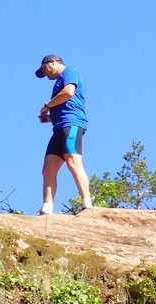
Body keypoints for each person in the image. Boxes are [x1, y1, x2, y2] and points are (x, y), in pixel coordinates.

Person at [34, 54, 92, 215]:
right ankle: (47, 208)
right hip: (59, 126)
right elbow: (64, 103)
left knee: (73, 161)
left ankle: (87, 204)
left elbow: (69, 92)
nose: (45, 75)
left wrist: (47, 106)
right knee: (48, 169)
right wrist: (51, 115)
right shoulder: (58, 82)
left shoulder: (70, 72)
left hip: (72, 123)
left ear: (52, 62)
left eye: (45, 70)